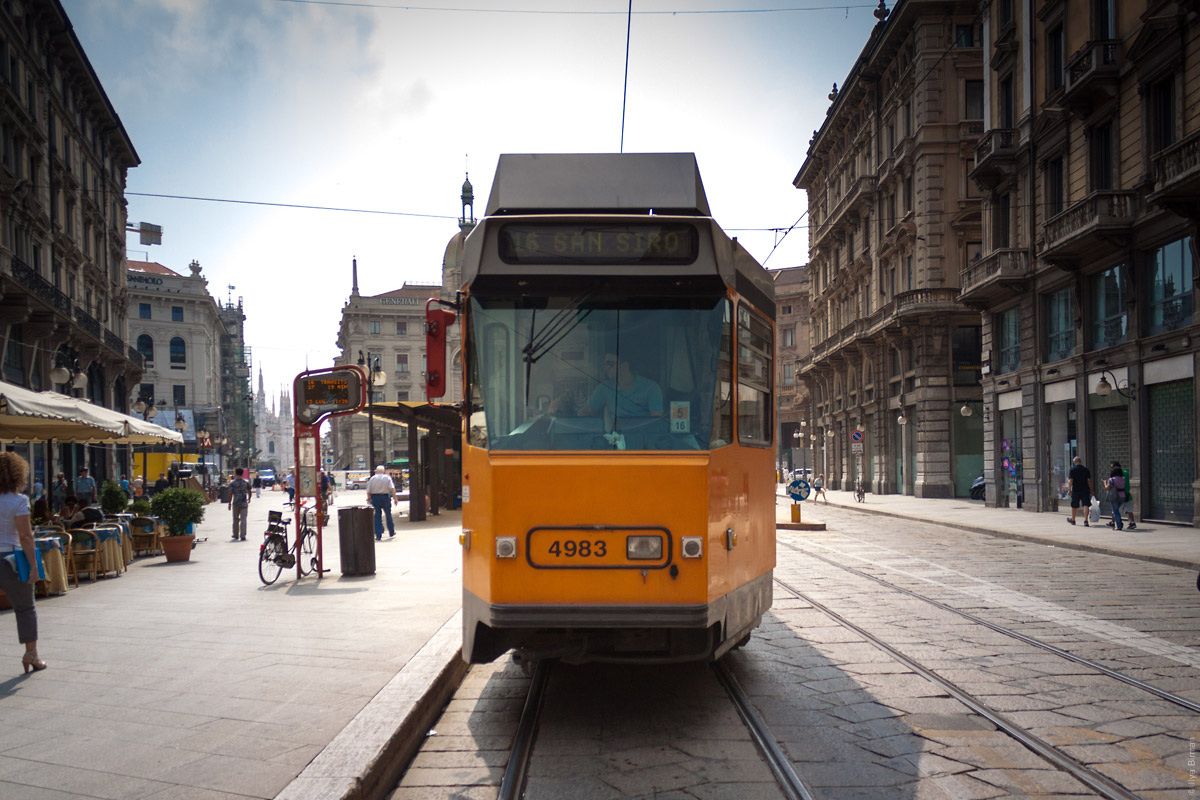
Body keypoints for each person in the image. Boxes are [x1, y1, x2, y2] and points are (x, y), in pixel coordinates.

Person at [0, 451, 47, 673]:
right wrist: (34, 566)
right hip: (10, 558)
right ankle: (31, 654)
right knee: (25, 608)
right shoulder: (19, 501)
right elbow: (26, 536)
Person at [551, 352, 663, 423]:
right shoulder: (604, 388)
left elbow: (656, 422)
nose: (606, 368)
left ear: (624, 366)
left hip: (643, 445)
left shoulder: (651, 388)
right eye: (605, 365)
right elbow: (586, 413)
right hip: (613, 444)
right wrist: (561, 412)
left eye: (610, 364)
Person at [365, 466, 398, 540]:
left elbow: (368, 491)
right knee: (388, 514)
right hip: (385, 497)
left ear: (376, 471)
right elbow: (392, 488)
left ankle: (378, 534)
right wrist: (395, 498)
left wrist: (369, 498)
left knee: (377, 516)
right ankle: (391, 531)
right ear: (384, 471)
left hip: (375, 498)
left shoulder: (372, 478)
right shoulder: (387, 478)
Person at [1067, 456, 1093, 526]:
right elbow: (1089, 480)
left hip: (1076, 490)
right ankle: (1085, 521)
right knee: (1086, 504)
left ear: (1074, 462)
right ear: (1080, 462)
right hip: (1085, 489)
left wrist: (1069, 489)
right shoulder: (1086, 469)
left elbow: (1071, 480)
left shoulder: (1072, 470)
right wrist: (1091, 490)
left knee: (1074, 505)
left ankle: (1073, 520)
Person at [227, 468, 251, 541]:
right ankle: (243, 535)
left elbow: (230, 493)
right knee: (244, 519)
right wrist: (249, 498)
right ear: (242, 473)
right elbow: (250, 491)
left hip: (236, 503)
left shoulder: (232, 483)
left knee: (235, 519)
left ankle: (235, 534)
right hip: (244, 502)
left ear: (235, 473)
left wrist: (229, 503)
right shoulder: (246, 482)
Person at [1104, 461, 1126, 531]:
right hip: (1122, 495)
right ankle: (1119, 523)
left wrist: (1104, 483)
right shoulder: (1123, 479)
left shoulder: (1111, 479)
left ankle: (1119, 526)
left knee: (1115, 511)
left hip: (1114, 497)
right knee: (1117, 510)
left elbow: (1108, 488)